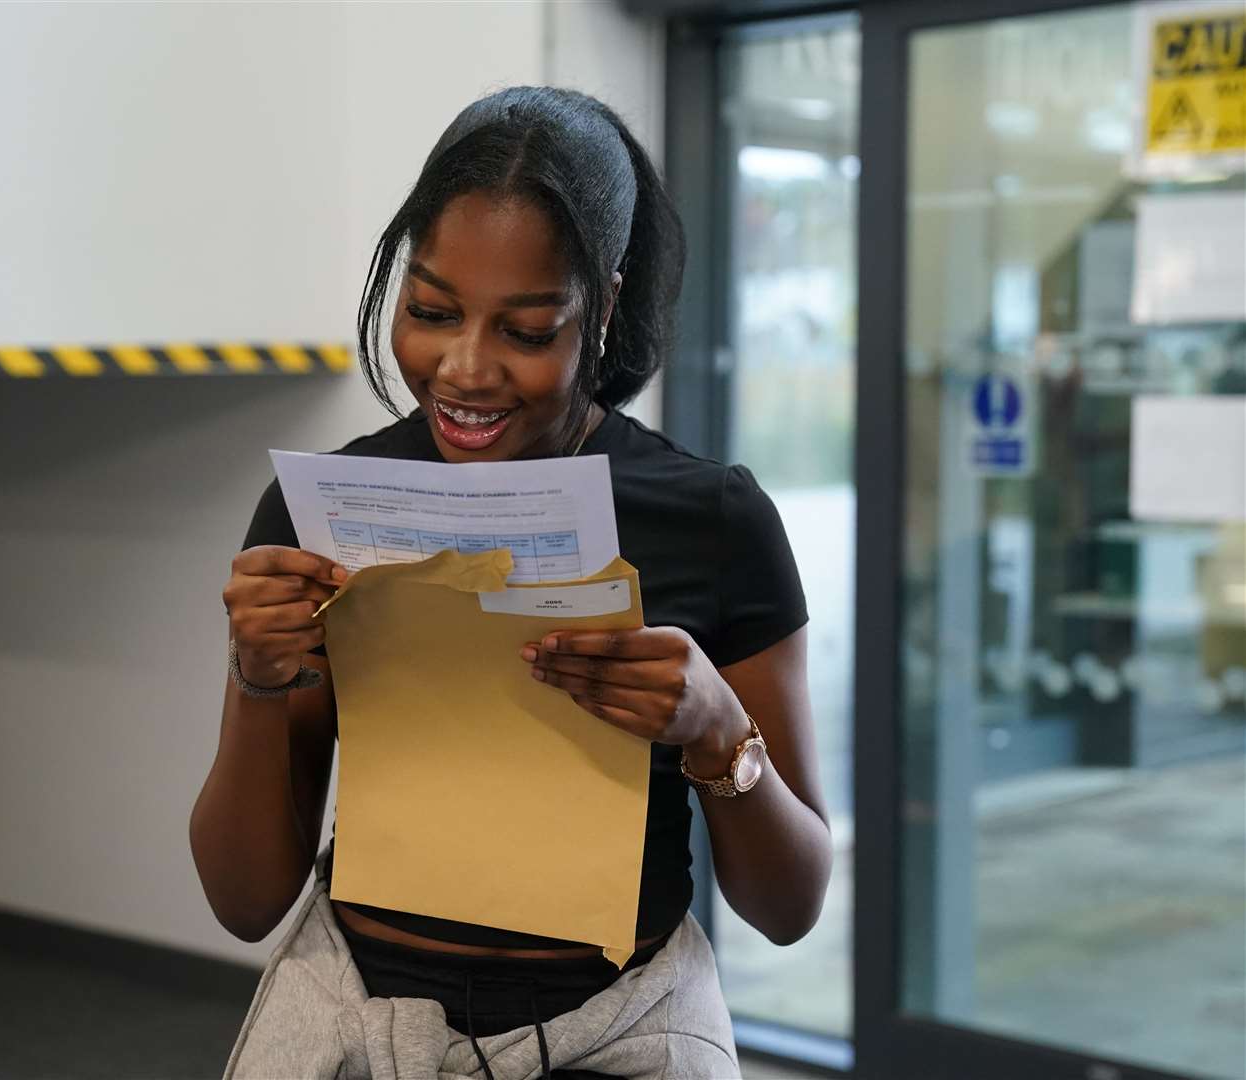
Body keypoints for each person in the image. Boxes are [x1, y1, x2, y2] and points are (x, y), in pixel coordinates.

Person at [191, 85, 831, 1080]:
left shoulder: (713, 523)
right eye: (431, 311)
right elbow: (243, 902)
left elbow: (790, 908)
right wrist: (254, 679)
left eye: (526, 330)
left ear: (604, 308)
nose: (463, 369)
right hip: (358, 1025)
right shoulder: (332, 510)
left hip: (616, 1032)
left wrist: (715, 730)